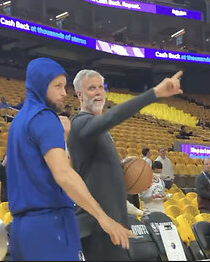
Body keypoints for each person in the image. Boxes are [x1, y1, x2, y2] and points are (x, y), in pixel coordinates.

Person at [6, 58, 133, 261]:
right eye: (57, 86)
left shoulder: (19, 120)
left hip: (22, 227)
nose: (64, 93)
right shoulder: (46, 118)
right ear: (40, 85)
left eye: (64, 86)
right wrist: (104, 218)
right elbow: (64, 173)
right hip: (49, 222)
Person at [67, 68, 183, 260]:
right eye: (91, 88)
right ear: (79, 95)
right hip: (97, 226)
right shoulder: (80, 124)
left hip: (114, 224)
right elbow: (112, 117)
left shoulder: (99, 131)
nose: (98, 92)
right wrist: (154, 93)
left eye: (100, 87)